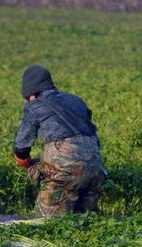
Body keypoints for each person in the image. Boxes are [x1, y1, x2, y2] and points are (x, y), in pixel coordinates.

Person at [13, 65, 106, 217]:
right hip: (96, 170)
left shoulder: (34, 106)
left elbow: (22, 146)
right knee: (87, 222)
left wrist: (26, 163)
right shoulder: (77, 101)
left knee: (47, 224)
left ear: (32, 93)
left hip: (64, 173)